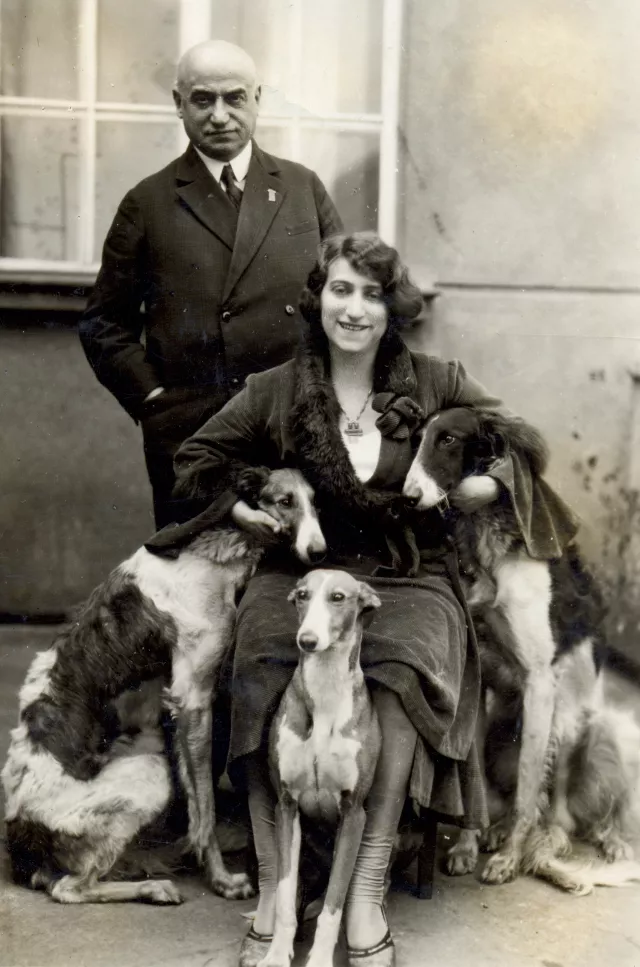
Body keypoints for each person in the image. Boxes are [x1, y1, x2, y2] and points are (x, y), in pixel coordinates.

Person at [146, 233, 579, 966]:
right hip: (301, 574)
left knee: (400, 665)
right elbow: (196, 459)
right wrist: (243, 507)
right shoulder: (275, 388)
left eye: (373, 294)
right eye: (340, 290)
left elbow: (519, 442)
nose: (354, 309)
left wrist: (487, 483)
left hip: (410, 572)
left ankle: (367, 889)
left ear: (393, 307)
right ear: (317, 299)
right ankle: (274, 890)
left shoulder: (438, 379)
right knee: (260, 658)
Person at [80, 39, 342, 528]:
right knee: (202, 568)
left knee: (299, 570)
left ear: (257, 98)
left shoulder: (302, 187)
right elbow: (103, 324)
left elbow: (345, 298)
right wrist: (157, 402)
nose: (220, 115)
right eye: (203, 99)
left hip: (294, 431)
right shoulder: (148, 202)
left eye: (234, 98)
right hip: (195, 440)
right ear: (179, 103)